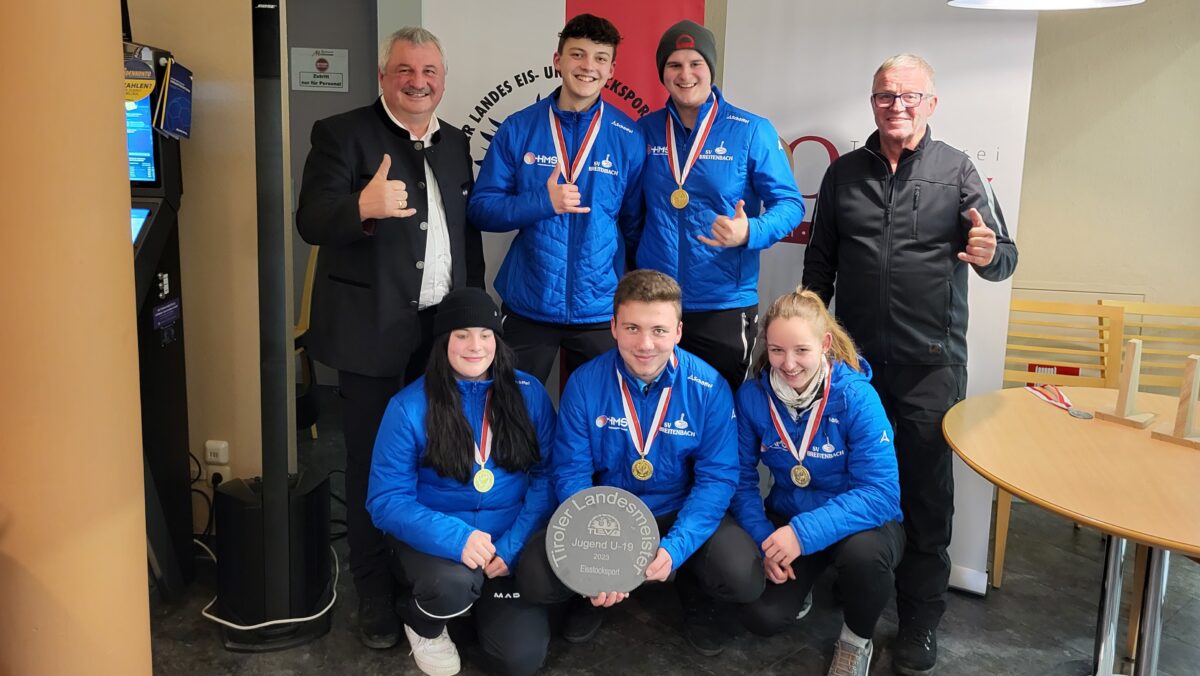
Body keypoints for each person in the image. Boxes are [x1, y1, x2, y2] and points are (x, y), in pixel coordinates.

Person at [802, 54, 1018, 675]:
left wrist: (988, 250)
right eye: (885, 96)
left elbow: (1005, 258)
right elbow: (819, 269)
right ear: (872, 101)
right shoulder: (843, 175)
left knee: (926, 496)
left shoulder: (958, 171)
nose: (897, 106)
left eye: (909, 96)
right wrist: (811, 344)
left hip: (930, 368)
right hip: (855, 370)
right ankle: (855, 594)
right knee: (852, 484)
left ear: (932, 102)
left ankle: (919, 619)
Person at [296, 27, 484, 649]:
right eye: (405, 70)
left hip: (440, 335)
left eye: (429, 70)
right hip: (370, 334)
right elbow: (311, 222)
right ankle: (373, 592)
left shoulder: (456, 143)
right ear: (383, 76)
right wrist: (362, 206)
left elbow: (467, 238)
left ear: (443, 79)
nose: (418, 81)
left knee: (438, 456)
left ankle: (420, 578)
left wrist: (476, 318)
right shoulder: (341, 133)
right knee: (374, 462)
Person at [516, 269, 764, 656]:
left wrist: (677, 547)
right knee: (533, 576)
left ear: (679, 331)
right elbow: (571, 471)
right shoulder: (584, 382)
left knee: (743, 576)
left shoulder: (710, 387)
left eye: (659, 330)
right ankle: (588, 593)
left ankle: (692, 589)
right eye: (632, 328)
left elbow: (717, 480)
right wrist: (596, 556)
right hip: (606, 516)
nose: (645, 344)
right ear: (613, 327)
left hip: (675, 511)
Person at [367, 288, 556, 676]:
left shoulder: (529, 393)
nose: (476, 346)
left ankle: (475, 602)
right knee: (451, 585)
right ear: (443, 342)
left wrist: (513, 545)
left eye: (486, 334)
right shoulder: (408, 406)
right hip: (437, 544)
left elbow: (546, 474)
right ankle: (422, 620)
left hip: (505, 543)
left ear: (498, 340)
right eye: (462, 334)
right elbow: (386, 500)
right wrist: (457, 539)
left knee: (519, 660)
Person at [731, 288, 904, 676]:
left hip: (860, 523)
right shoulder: (752, 397)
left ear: (825, 344)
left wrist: (802, 535)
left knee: (864, 560)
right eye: (777, 350)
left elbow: (881, 493)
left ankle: (856, 640)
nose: (788, 364)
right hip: (790, 515)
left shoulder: (857, 396)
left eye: (801, 351)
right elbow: (740, 481)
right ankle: (802, 584)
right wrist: (764, 538)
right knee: (761, 617)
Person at [468, 14, 645, 384]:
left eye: (599, 58)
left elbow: (632, 223)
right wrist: (541, 202)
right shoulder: (519, 127)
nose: (588, 66)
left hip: (600, 308)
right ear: (557, 60)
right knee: (512, 413)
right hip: (530, 305)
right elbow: (482, 210)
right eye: (577, 54)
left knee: (604, 418)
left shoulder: (627, 135)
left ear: (611, 69)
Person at [637, 20, 804, 391]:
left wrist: (751, 231)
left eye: (695, 63)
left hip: (723, 304)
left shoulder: (750, 129)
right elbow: (632, 214)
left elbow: (790, 204)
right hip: (655, 301)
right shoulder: (644, 130)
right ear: (662, 73)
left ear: (711, 69)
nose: (685, 74)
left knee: (723, 413)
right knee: (654, 412)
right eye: (674, 65)